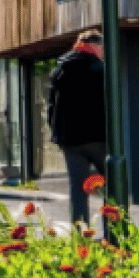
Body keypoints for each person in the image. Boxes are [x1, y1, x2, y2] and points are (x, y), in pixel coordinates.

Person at [47, 29, 107, 225]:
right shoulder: (100, 69)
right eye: (103, 47)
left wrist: (56, 132)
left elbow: (51, 106)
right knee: (113, 184)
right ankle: (116, 231)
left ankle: (81, 233)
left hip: (70, 140)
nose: (104, 52)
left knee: (78, 187)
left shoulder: (60, 70)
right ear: (95, 46)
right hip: (97, 136)